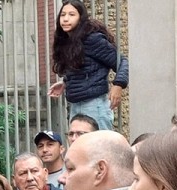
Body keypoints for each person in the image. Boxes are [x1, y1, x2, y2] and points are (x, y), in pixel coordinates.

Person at [49, 0, 127, 131]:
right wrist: (66, 82)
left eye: (71, 14)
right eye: (63, 15)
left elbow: (122, 61)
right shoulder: (69, 41)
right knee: (79, 143)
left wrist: (118, 85)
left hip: (95, 104)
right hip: (75, 105)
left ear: (81, 18)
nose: (66, 19)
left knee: (100, 143)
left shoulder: (92, 39)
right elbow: (83, 67)